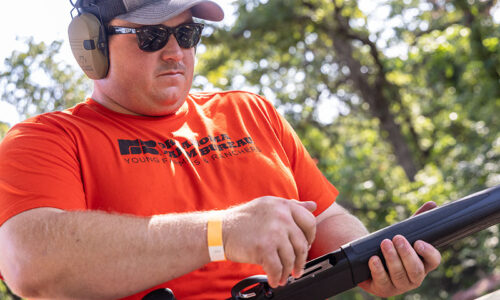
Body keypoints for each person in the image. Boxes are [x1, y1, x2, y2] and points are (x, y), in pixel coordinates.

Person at [0, 1, 441, 299]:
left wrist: (378, 259)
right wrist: (221, 234)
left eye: (189, 33)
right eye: (152, 36)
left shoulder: (252, 113)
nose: (176, 52)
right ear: (90, 45)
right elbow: (28, 263)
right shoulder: (45, 142)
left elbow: (323, 220)